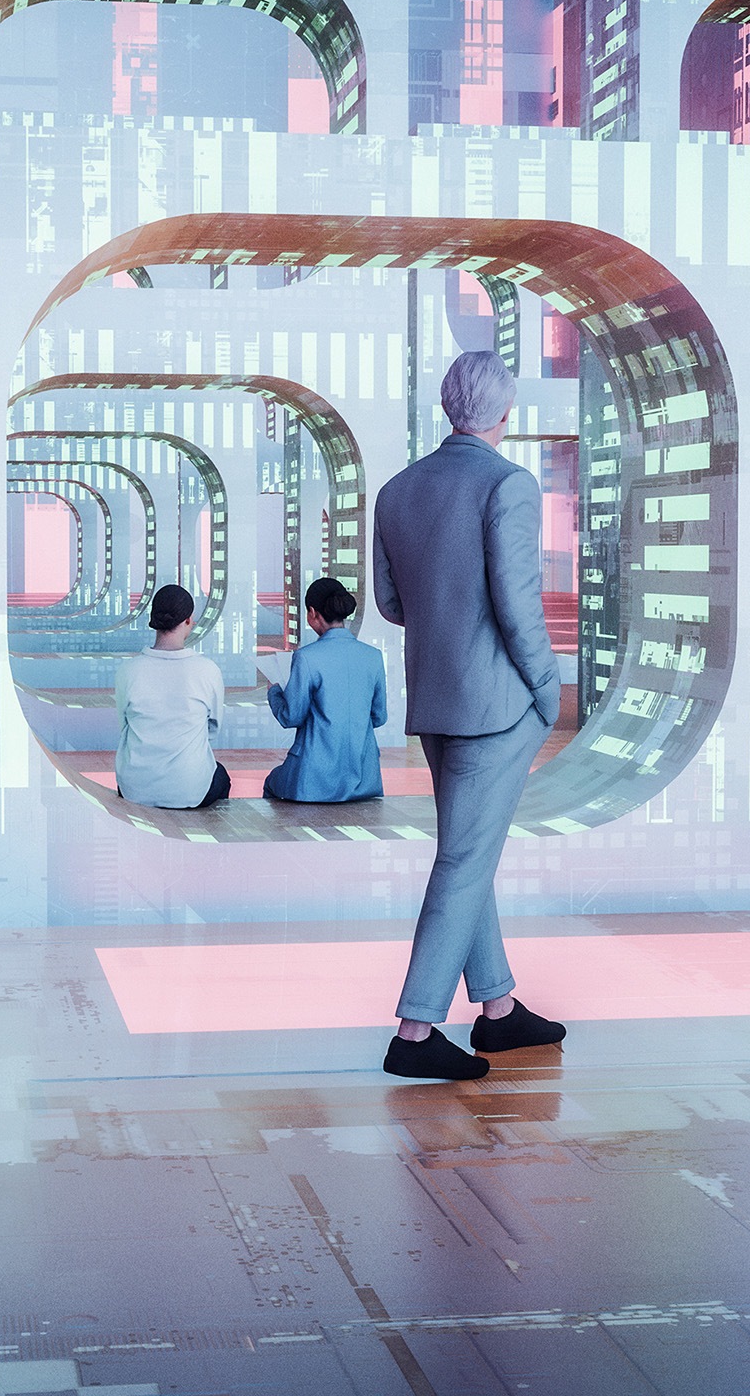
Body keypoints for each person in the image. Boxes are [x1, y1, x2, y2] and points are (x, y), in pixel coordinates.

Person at [373, 350, 566, 1081]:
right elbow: (519, 606)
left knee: (466, 853)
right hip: (497, 703)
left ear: (449, 406)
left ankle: (497, 1008)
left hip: (437, 699)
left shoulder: (398, 490)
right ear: (505, 414)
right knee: (463, 859)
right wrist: (547, 690)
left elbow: (393, 605)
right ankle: (414, 1031)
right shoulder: (508, 485)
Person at [262, 577, 387, 803]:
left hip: (313, 781)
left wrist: (275, 692)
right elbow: (379, 717)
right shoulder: (373, 656)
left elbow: (291, 717)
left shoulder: (307, 658)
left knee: (272, 782)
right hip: (364, 779)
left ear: (312, 612)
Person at [114, 584, 230, 808]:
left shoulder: (128, 671)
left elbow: (124, 726)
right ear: (188, 620)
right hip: (190, 788)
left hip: (134, 789)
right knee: (221, 776)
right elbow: (212, 730)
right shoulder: (207, 670)